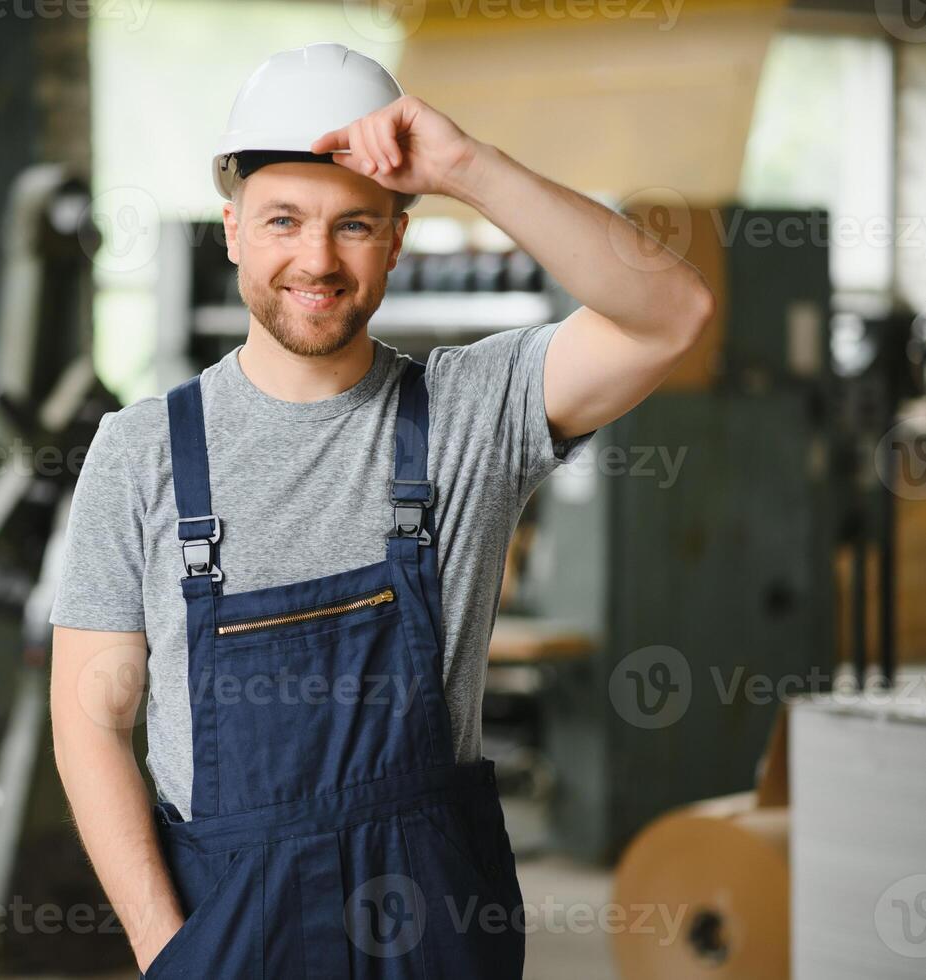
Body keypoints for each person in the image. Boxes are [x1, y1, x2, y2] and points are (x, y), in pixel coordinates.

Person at [48, 42, 713, 979]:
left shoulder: (473, 414)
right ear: (231, 229)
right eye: (282, 220)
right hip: (227, 928)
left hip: (434, 927)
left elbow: (671, 312)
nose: (314, 261)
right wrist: (167, 951)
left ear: (396, 240)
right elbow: (90, 717)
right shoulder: (142, 451)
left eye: (353, 226)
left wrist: (465, 167)